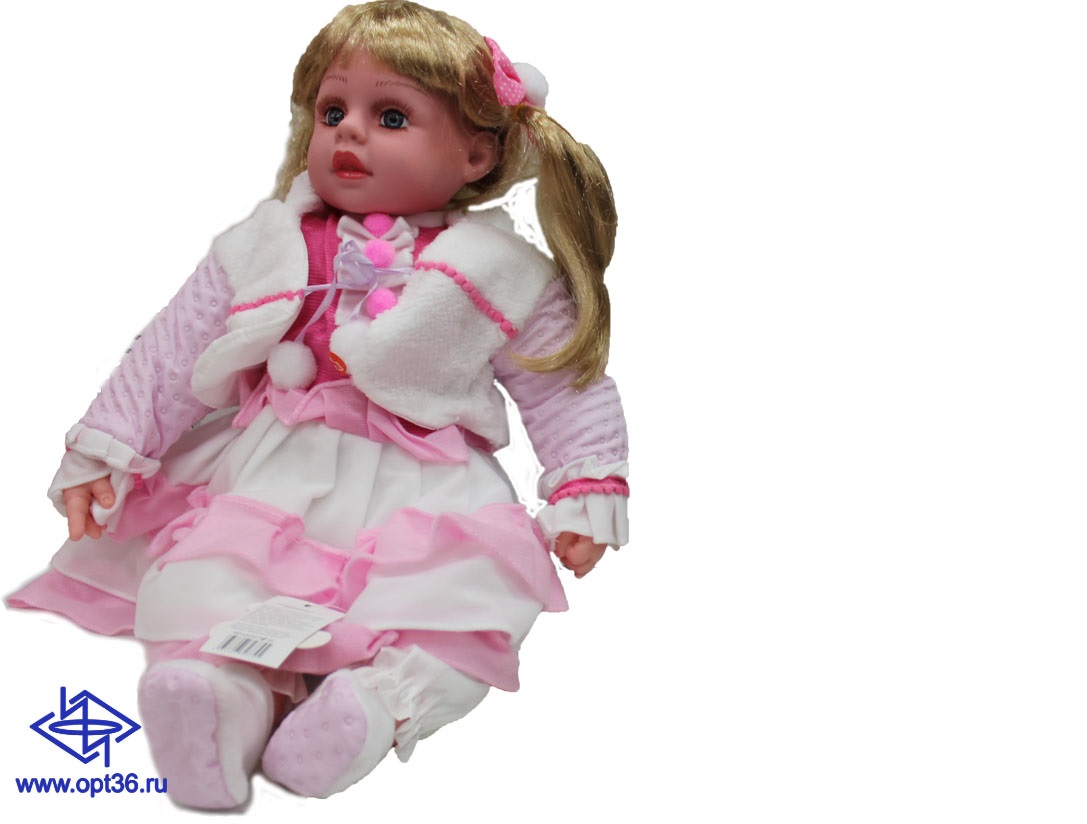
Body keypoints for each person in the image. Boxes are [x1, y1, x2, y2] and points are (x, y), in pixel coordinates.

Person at [7, 0, 627, 809]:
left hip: (427, 487)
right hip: (272, 473)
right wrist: (109, 445)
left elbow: (563, 381)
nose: (348, 133)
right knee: (219, 581)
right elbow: (172, 348)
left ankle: (371, 709)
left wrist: (584, 485)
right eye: (333, 112)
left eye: (391, 116)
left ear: (478, 152)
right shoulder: (269, 242)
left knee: (459, 600)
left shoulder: (499, 269)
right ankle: (221, 698)